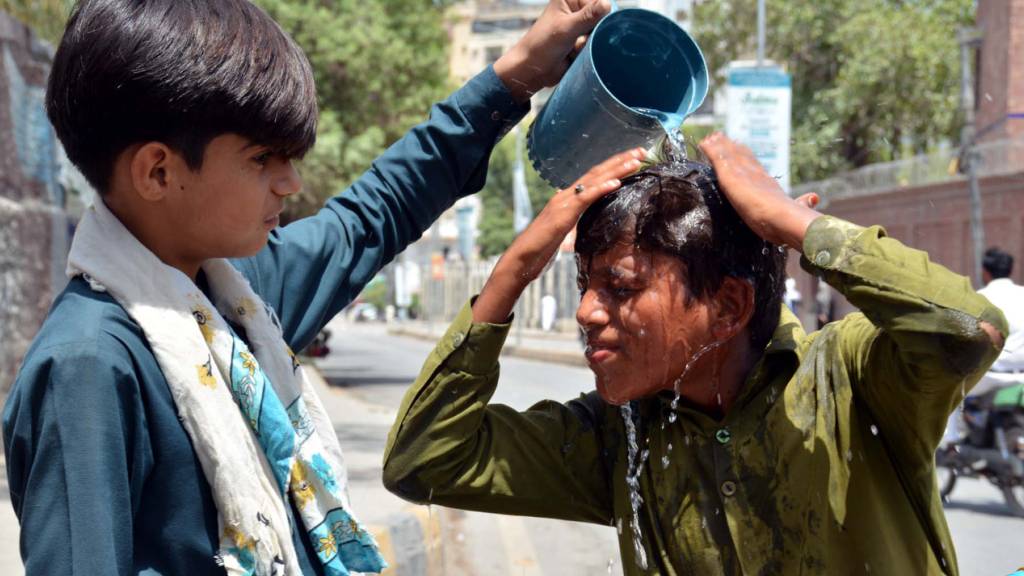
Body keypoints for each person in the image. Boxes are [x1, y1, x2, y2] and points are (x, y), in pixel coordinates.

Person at [1, 0, 614, 573]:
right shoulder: (89, 367)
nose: (291, 183)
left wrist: (516, 76)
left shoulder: (235, 301)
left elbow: (374, 214)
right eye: (263, 159)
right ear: (158, 171)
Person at [382, 134, 1007, 575]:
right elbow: (425, 462)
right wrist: (513, 271)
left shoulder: (850, 380)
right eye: (584, 286)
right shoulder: (620, 434)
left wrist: (791, 223)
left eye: (621, 288)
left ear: (729, 307)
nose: (586, 313)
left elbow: (967, 331)